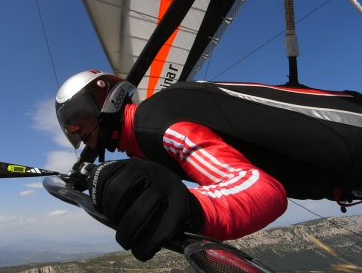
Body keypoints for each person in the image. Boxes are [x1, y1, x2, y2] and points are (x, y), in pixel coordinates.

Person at [55, 70, 362, 261]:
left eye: (79, 119)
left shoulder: (156, 124)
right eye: (70, 129)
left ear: (106, 97)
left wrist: (185, 208)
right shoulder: (149, 133)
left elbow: (262, 190)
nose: (77, 132)